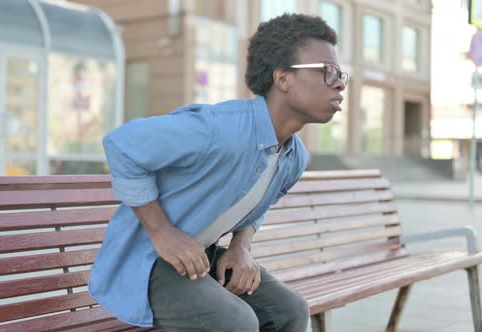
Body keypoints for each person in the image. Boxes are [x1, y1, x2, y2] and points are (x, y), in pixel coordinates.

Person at [89, 13, 347, 331]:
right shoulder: (219, 129)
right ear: (283, 78)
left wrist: (241, 247)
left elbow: (260, 202)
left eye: (340, 74)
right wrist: (162, 232)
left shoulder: (294, 156)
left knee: (290, 311)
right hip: (149, 260)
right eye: (327, 71)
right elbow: (122, 145)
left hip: (201, 257)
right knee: (235, 322)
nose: (338, 82)